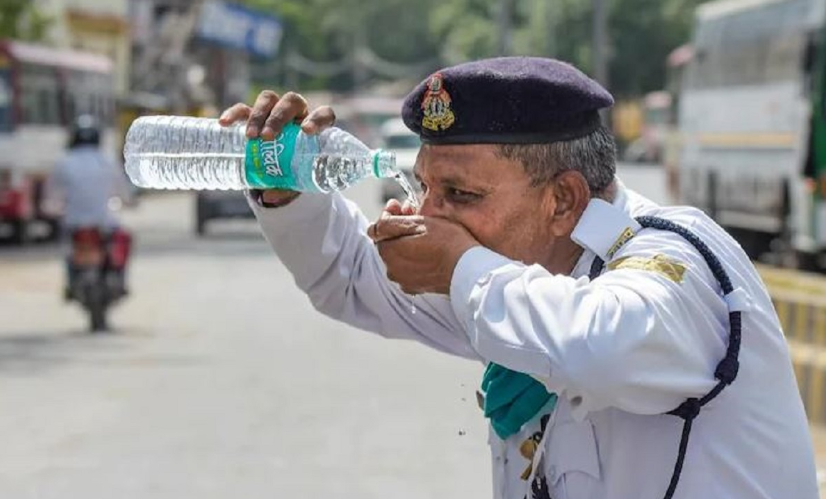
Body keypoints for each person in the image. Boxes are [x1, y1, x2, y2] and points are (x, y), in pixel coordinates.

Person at [220, 57, 818, 499]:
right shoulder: (510, 281)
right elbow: (349, 277)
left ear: (562, 200)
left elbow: (595, 347)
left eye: (460, 194)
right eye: (427, 187)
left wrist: (456, 265)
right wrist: (287, 195)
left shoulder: (674, 256)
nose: (431, 215)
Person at [43, 114, 133, 295]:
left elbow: (51, 195)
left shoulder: (63, 163)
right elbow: (124, 191)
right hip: (103, 223)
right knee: (124, 239)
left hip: (73, 222)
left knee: (67, 249)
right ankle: (121, 279)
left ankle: (70, 282)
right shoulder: (107, 161)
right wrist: (130, 201)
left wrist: (51, 208)